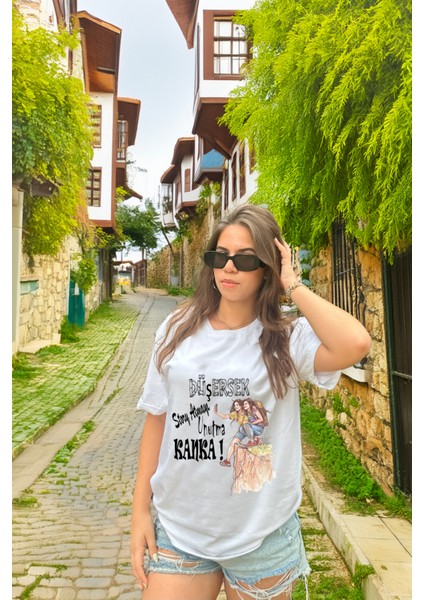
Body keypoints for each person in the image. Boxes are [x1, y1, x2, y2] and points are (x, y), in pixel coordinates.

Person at [130, 204, 371, 600]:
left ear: (266, 269)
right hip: (180, 528)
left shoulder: (286, 339)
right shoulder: (177, 329)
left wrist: (293, 284)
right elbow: (157, 419)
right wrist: (140, 510)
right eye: (220, 256)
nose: (229, 268)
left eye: (245, 259)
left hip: (261, 535)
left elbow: (356, 343)